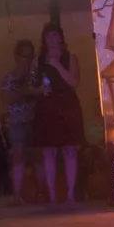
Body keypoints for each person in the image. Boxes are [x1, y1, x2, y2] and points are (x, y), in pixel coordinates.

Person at [32, 24, 84, 209]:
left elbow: (74, 82)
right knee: (49, 151)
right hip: (47, 106)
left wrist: (56, 65)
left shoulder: (70, 58)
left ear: (60, 38)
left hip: (67, 105)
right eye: (48, 36)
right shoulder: (38, 61)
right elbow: (32, 84)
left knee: (70, 149)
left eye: (55, 36)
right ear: (44, 39)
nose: (52, 40)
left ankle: (70, 194)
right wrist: (39, 89)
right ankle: (52, 194)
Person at [1, 39, 40, 205]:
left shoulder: (36, 76)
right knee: (18, 157)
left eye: (30, 56)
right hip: (17, 122)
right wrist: (26, 92)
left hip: (35, 120)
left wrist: (30, 91)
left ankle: (41, 193)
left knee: (37, 157)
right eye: (24, 56)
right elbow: (7, 98)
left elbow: (43, 93)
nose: (27, 60)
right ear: (17, 57)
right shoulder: (9, 77)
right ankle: (17, 195)